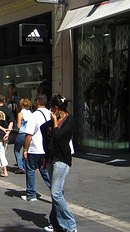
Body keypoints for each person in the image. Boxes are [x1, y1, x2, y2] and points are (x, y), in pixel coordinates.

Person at [42, 95, 77, 232]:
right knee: (56, 192)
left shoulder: (69, 120)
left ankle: (70, 225)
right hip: (51, 158)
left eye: (52, 108)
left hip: (62, 159)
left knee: (56, 193)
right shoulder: (52, 121)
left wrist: (55, 122)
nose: (51, 110)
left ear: (56, 108)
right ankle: (56, 222)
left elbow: (58, 137)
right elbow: (45, 131)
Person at [21, 94, 51, 201]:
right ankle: (55, 191)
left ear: (37, 102)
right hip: (46, 148)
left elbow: (29, 134)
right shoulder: (50, 114)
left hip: (35, 148)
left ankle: (31, 194)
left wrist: (25, 149)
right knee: (45, 171)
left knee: (30, 170)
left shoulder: (34, 116)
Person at [14, 98, 32, 174]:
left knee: (16, 150)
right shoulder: (31, 114)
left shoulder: (20, 114)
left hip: (21, 133)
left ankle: (20, 166)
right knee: (26, 150)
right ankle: (25, 165)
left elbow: (18, 126)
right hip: (29, 134)